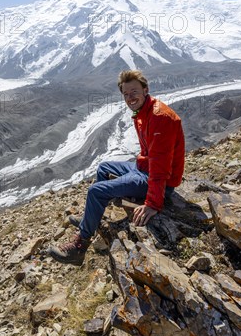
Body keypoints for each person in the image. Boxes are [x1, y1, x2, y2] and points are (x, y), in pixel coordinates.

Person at [48, 69, 185, 266]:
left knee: (96, 191)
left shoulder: (159, 117)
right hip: (144, 168)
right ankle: (91, 218)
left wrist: (153, 204)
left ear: (145, 90)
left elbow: (161, 166)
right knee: (104, 167)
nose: (130, 98)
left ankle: (79, 247)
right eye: (126, 94)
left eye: (134, 92)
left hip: (158, 178)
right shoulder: (143, 111)